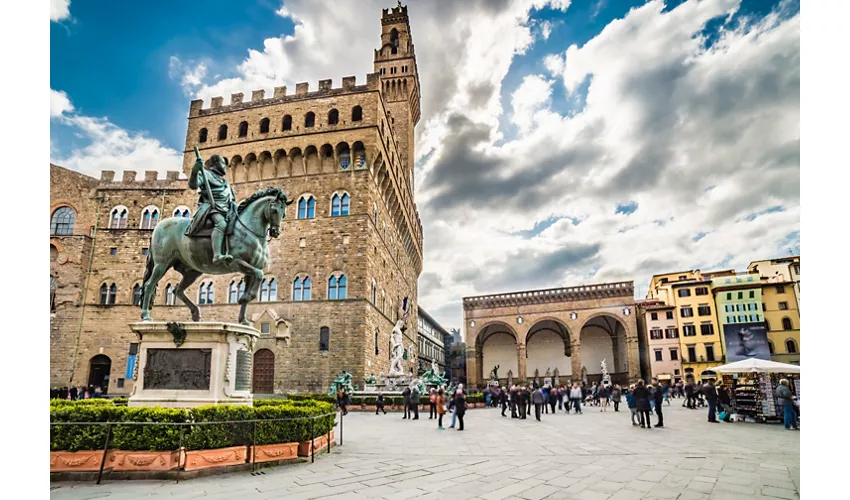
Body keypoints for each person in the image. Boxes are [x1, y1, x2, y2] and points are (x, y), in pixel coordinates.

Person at [186, 153, 237, 264]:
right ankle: (217, 255)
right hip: (211, 208)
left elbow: (232, 199)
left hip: (226, 209)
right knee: (221, 224)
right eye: (223, 163)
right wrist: (195, 170)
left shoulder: (225, 182)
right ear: (215, 163)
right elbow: (193, 185)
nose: (225, 166)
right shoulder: (206, 174)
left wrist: (234, 206)